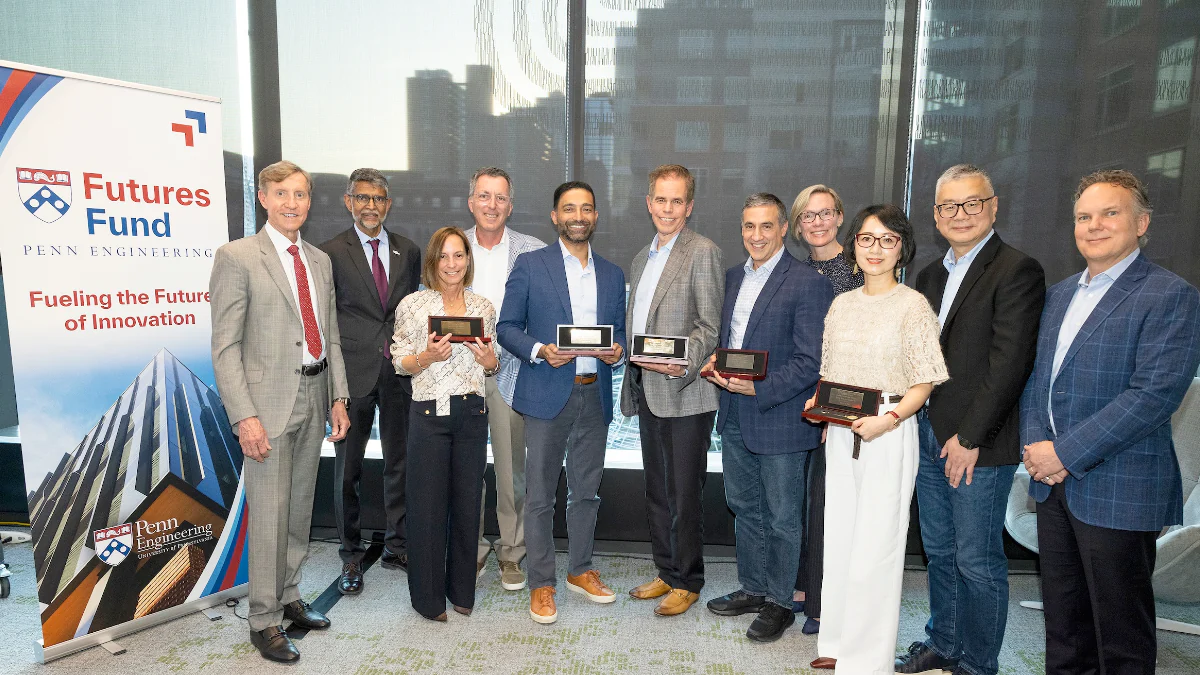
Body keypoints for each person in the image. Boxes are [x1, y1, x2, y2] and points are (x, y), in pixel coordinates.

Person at [1020, 170, 1200, 675]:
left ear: (1141, 222)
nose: (1094, 225)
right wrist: (1037, 447)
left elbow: (1153, 396)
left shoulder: (1170, 295)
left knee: (1120, 633)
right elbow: (1037, 381)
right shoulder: (1057, 297)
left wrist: (1064, 453)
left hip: (1120, 485)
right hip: (1053, 485)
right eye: (1083, 216)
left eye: (1110, 213)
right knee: (1065, 624)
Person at [898, 164, 1045, 675]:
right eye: (948, 206)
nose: (960, 215)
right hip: (929, 435)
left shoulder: (1017, 270)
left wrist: (969, 437)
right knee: (939, 550)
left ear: (993, 206)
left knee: (977, 561)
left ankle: (980, 663)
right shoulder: (931, 275)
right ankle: (945, 641)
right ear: (936, 215)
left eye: (971, 203)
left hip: (977, 445)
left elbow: (1010, 365)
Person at [210, 160, 351, 663]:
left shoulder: (318, 259)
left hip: (315, 397)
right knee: (268, 515)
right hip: (265, 407)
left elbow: (328, 332)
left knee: (298, 510)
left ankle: (289, 595)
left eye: (301, 194)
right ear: (263, 198)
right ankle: (263, 619)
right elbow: (225, 347)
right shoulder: (237, 257)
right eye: (283, 194)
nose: (293, 203)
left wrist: (339, 396)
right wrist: (243, 415)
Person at [808, 204, 948, 672]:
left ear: (902, 249)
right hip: (840, 430)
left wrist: (887, 421)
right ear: (853, 247)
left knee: (877, 545)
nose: (875, 249)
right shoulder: (841, 305)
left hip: (888, 432)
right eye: (866, 239)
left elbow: (925, 381)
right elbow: (830, 373)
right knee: (840, 537)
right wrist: (818, 406)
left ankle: (866, 657)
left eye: (887, 240)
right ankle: (836, 640)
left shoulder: (913, 306)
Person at [703, 193, 833, 642]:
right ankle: (754, 588)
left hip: (778, 414)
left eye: (765, 226)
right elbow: (734, 342)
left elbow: (809, 360)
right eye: (748, 227)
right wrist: (715, 366)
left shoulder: (807, 282)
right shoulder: (734, 277)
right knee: (744, 506)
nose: (755, 235)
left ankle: (780, 601)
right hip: (735, 410)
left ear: (782, 229)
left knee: (781, 516)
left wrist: (760, 387)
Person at [496, 180, 627, 625]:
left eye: (586, 208)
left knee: (586, 492)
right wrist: (539, 350)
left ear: (595, 216)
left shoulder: (612, 273)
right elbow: (506, 326)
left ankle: (580, 570)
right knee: (539, 496)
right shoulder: (531, 266)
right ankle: (542, 583)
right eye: (569, 208)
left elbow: (618, 332)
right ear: (555, 216)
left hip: (595, 393)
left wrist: (619, 350)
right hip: (546, 390)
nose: (578, 215)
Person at [620, 165, 723, 617]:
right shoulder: (641, 258)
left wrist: (681, 362)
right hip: (647, 389)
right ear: (649, 202)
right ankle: (666, 570)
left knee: (684, 492)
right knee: (657, 491)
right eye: (660, 199)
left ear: (690, 206)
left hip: (685, 393)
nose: (668, 208)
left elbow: (709, 327)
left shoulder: (703, 252)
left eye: (677, 200)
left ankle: (689, 579)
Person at [319, 168, 421, 595]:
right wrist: (333, 389)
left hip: (399, 373)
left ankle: (399, 544)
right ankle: (350, 555)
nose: (370, 206)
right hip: (352, 374)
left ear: (388, 203)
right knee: (349, 471)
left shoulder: (409, 251)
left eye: (378, 199)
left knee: (401, 462)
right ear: (348, 202)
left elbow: (411, 312)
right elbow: (326, 323)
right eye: (362, 198)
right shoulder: (328, 253)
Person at [391, 226, 500, 621]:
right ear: (433, 261)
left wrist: (490, 363)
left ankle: (461, 592)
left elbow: (492, 362)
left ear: (468, 260)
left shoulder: (483, 307)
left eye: (459, 255)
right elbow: (399, 361)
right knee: (427, 510)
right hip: (428, 415)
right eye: (444, 256)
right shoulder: (413, 305)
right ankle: (427, 600)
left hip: (471, 415)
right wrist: (426, 357)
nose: (452, 264)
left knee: (469, 506)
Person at [463, 166, 546, 590]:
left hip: (513, 374)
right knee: (465, 468)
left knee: (513, 470)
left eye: (500, 198)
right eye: (484, 195)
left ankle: (512, 552)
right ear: (471, 201)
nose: (491, 205)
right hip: (457, 373)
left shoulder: (533, 250)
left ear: (510, 205)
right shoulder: (451, 247)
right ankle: (470, 549)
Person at [787, 184, 862, 636]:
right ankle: (801, 582)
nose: (816, 223)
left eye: (825, 214)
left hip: (838, 407)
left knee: (828, 505)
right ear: (797, 226)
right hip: (797, 403)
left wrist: (831, 412)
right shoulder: (794, 273)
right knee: (798, 501)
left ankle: (823, 600)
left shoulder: (858, 271)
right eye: (807, 216)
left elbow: (853, 353)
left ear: (839, 217)